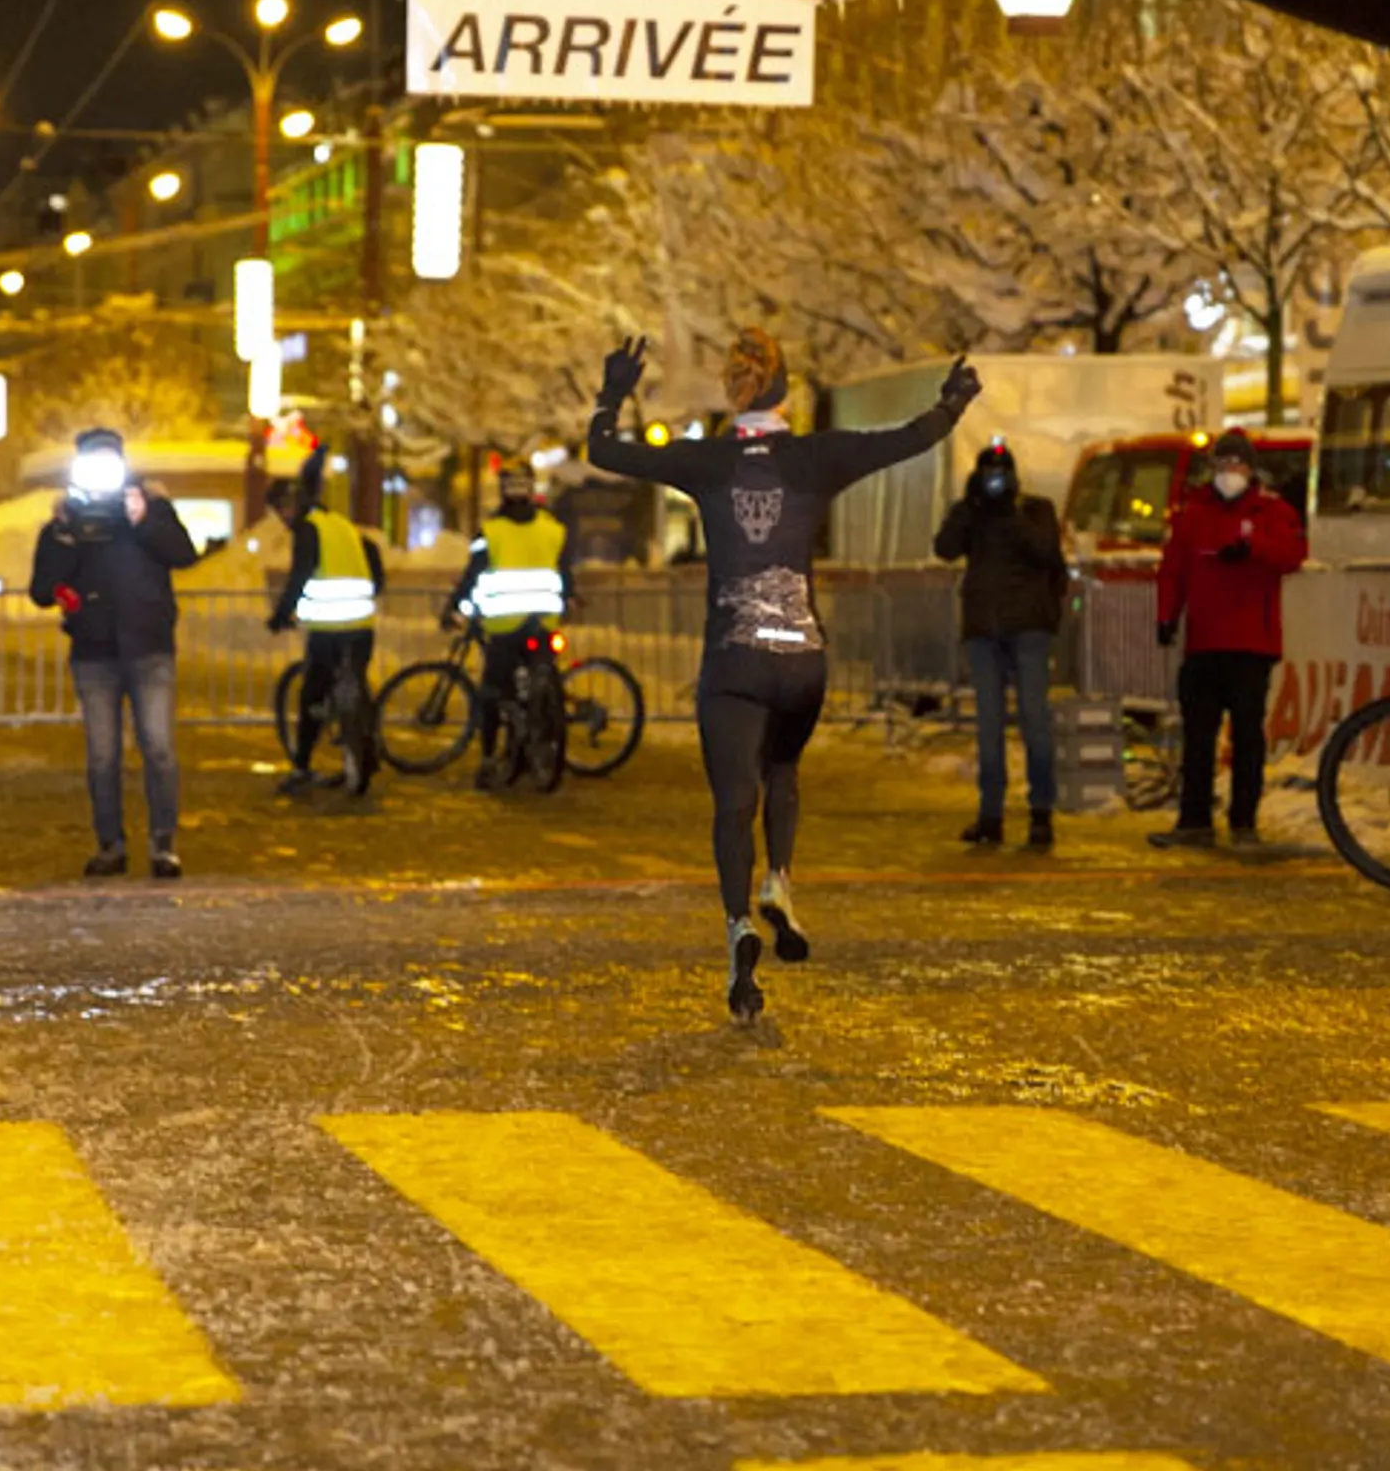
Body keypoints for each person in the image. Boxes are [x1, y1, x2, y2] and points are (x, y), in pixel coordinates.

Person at [589, 326, 981, 1023]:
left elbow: (605, 450)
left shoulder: (706, 461)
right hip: (801, 659)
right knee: (783, 772)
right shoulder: (817, 455)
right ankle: (781, 880)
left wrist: (614, 393)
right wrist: (953, 402)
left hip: (734, 659)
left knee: (733, 800)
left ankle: (739, 925)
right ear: (787, 391)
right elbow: (907, 437)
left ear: (731, 391)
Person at [29, 426, 199, 878]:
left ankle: (164, 845)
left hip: (149, 646)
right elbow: (41, 589)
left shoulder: (150, 507)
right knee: (103, 754)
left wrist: (144, 519)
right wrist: (65, 536)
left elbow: (185, 554)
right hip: (94, 652)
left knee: (159, 748)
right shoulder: (67, 519)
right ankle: (111, 844)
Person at [1151, 425, 1306, 851]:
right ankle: (1194, 819)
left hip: (1251, 645)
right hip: (1204, 642)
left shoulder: (1270, 513)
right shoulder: (1193, 514)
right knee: (1199, 736)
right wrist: (1167, 617)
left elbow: (1291, 555)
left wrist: (1253, 546)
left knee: (1247, 737)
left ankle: (1243, 821)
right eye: (1221, 463)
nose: (1228, 471)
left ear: (1250, 469)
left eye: (1235, 463)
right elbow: (1173, 570)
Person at [935, 439, 1067, 848]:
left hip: (1027, 628)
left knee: (1035, 720)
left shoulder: (1034, 510)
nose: (994, 483)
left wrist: (1009, 511)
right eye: (988, 476)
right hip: (983, 631)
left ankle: (1041, 814)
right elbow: (944, 548)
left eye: (999, 476)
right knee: (988, 727)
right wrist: (970, 506)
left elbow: (1045, 550)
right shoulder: (973, 513)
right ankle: (990, 816)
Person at [446, 457, 574, 786]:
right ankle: (543, 742)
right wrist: (568, 598)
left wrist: (454, 608)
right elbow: (564, 571)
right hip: (544, 623)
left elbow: (473, 575)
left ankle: (489, 760)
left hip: (504, 628)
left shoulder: (492, 530)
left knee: (492, 694)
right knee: (543, 683)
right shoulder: (552, 528)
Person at [266, 454, 386, 795]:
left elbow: (300, 574)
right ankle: (367, 752)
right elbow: (373, 559)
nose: (284, 516)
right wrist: (371, 591)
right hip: (361, 625)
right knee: (357, 688)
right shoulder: (340, 524)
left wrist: (281, 615)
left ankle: (302, 766)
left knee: (312, 695)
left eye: (283, 509)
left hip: (328, 630)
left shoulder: (308, 529)